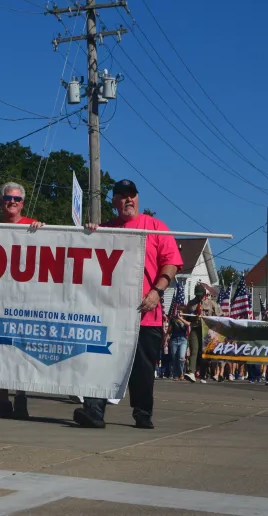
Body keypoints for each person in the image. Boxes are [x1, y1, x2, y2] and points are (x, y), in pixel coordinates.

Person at [73, 180, 182, 429]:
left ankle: (142, 413)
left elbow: (172, 263)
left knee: (142, 371)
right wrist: (89, 233)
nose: (128, 200)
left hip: (145, 314)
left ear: (138, 198)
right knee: (100, 361)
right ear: (114, 202)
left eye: (131, 195)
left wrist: (157, 291)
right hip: (110, 313)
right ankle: (94, 411)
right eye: (122, 196)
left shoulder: (155, 227)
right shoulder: (106, 229)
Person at [0, 182, 45, 420]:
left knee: (20, 348)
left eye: (16, 199)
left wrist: (43, 231)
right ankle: (3, 400)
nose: (12, 202)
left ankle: (21, 395)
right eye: (7, 198)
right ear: (1, 201)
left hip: (24, 300)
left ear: (22, 203)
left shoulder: (33, 227)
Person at [184, 284, 222, 383]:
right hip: (195, 328)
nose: (199, 297)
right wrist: (192, 316)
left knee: (204, 353)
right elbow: (186, 317)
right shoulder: (191, 303)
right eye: (197, 295)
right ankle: (191, 372)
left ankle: (203, 374)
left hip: (207, 331)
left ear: (204, 294)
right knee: (194, 350)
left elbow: (220, 316)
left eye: (200, 295)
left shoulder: (211, 304)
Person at [168, 289, 192, 381]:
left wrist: (180, 318)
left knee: (182, 357)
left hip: (183, 340)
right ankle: (176, 374)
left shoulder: (185, 319)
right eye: (178, 310)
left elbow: (188, 324)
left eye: (180, 311)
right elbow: (169, 330)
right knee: (174, 357)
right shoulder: (173, 319)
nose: (179, 312)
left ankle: (181, 373)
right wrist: (166, 338)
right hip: (174, 339)